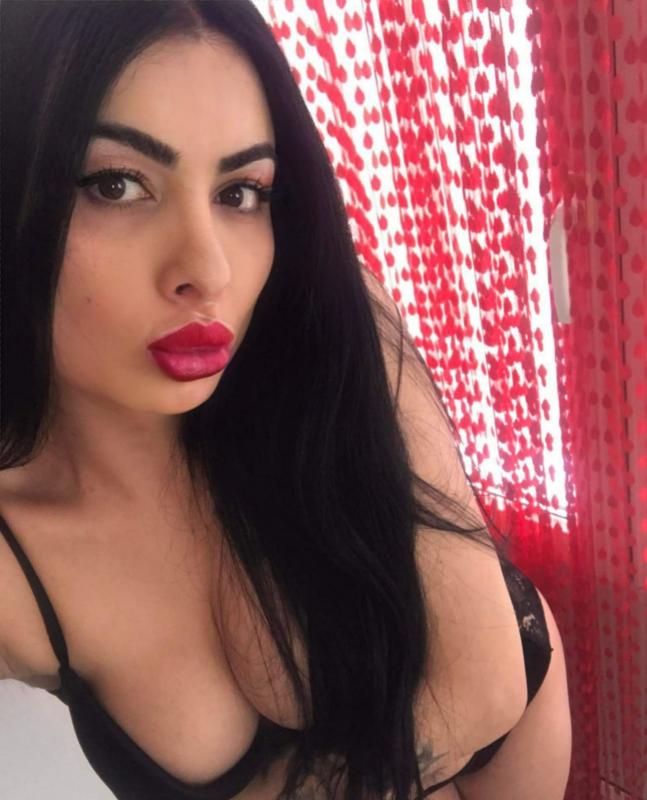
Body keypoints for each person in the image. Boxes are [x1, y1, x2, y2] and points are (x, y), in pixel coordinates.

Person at [0, 2, 571, 798]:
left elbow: (480, 690)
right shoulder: (17, 563)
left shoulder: (335, 321)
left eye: (242, 192)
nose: (209, 270)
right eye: (117, 184)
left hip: (508, 738)